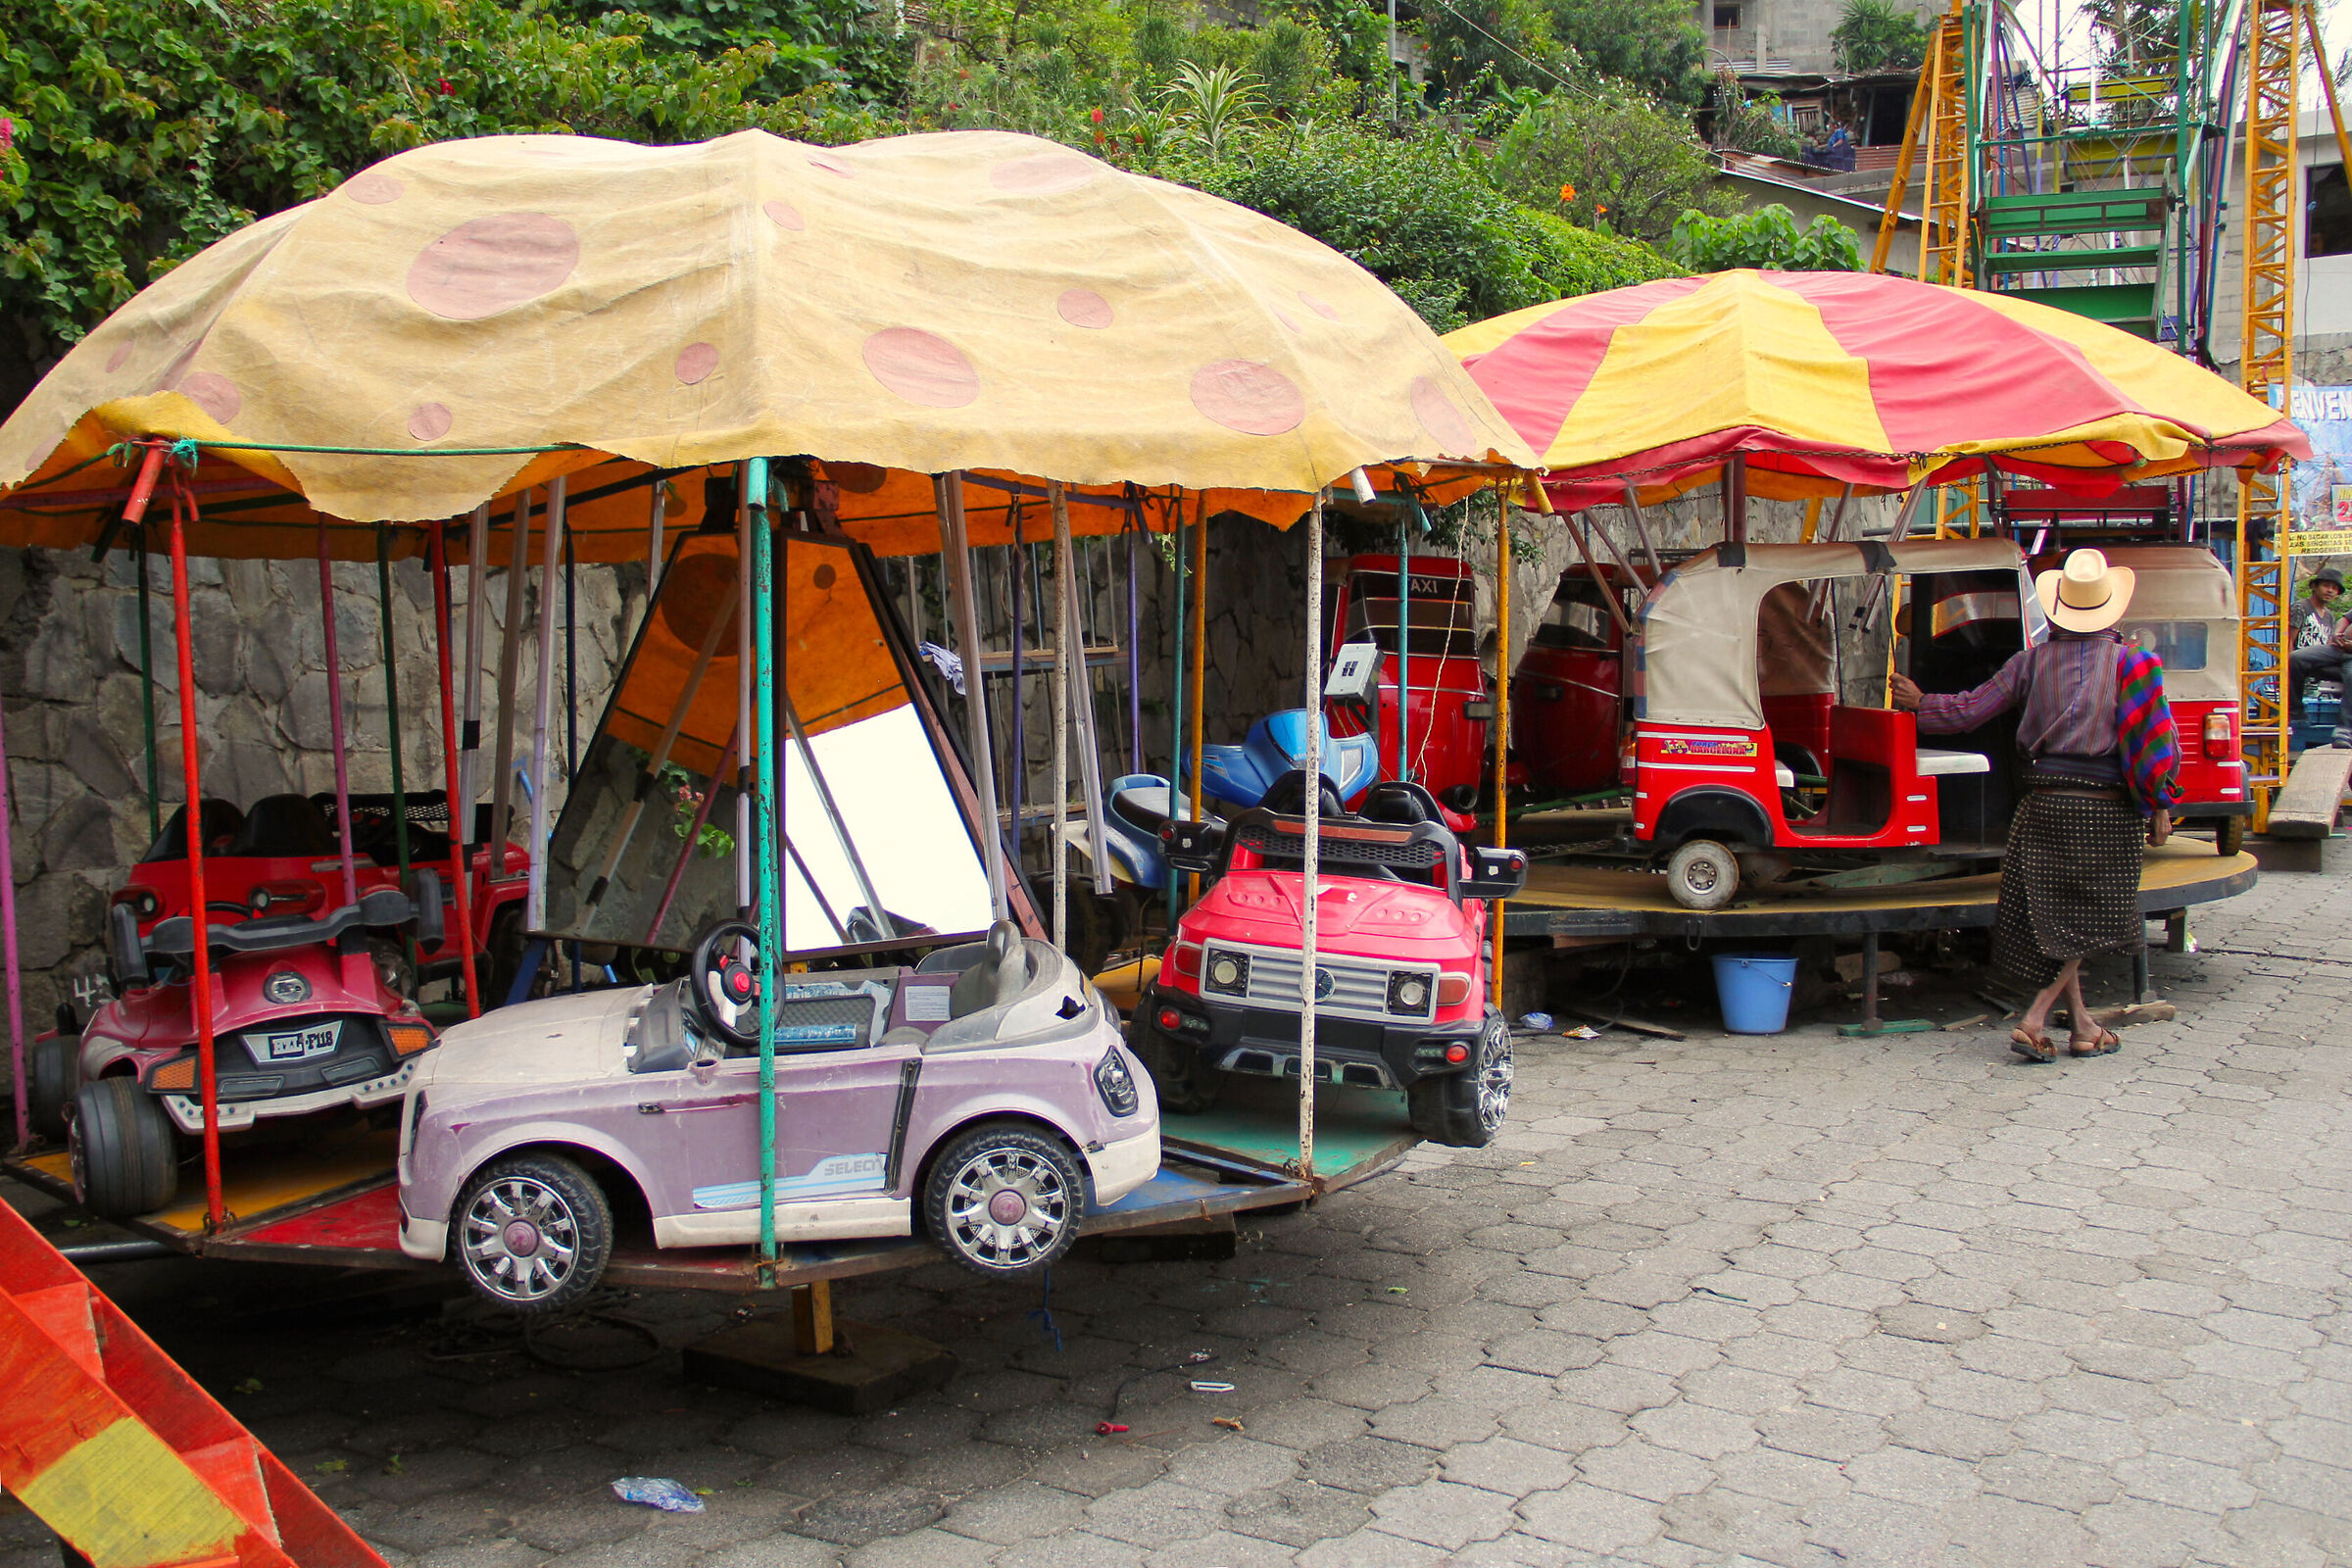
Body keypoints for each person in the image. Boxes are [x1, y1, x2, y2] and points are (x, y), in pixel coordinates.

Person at [1891, 549, 2181, 1063]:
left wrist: (1921, 703)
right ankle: (2033, 1017)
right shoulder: (2134, 663)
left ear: (2059, 608)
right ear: (2111, 609)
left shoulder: (2030, 661)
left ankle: (2085, 1027)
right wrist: (2160, 802)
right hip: (2103, 809)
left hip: (2041, 803)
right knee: (2092, 919)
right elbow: (2156, 745)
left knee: (2055, 918)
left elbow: (1968, 712)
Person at [2287, 566, 2352, 748]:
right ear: (2315, 586)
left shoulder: (2327, 614)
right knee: (2295, 658)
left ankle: (2345, 731)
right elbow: (2345, 619)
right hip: (2337, 650)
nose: (2330, 590)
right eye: (2326, 585)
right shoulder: (2303, 607)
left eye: (2334, 588)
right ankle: (2295, 711)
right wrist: (2337, 635)